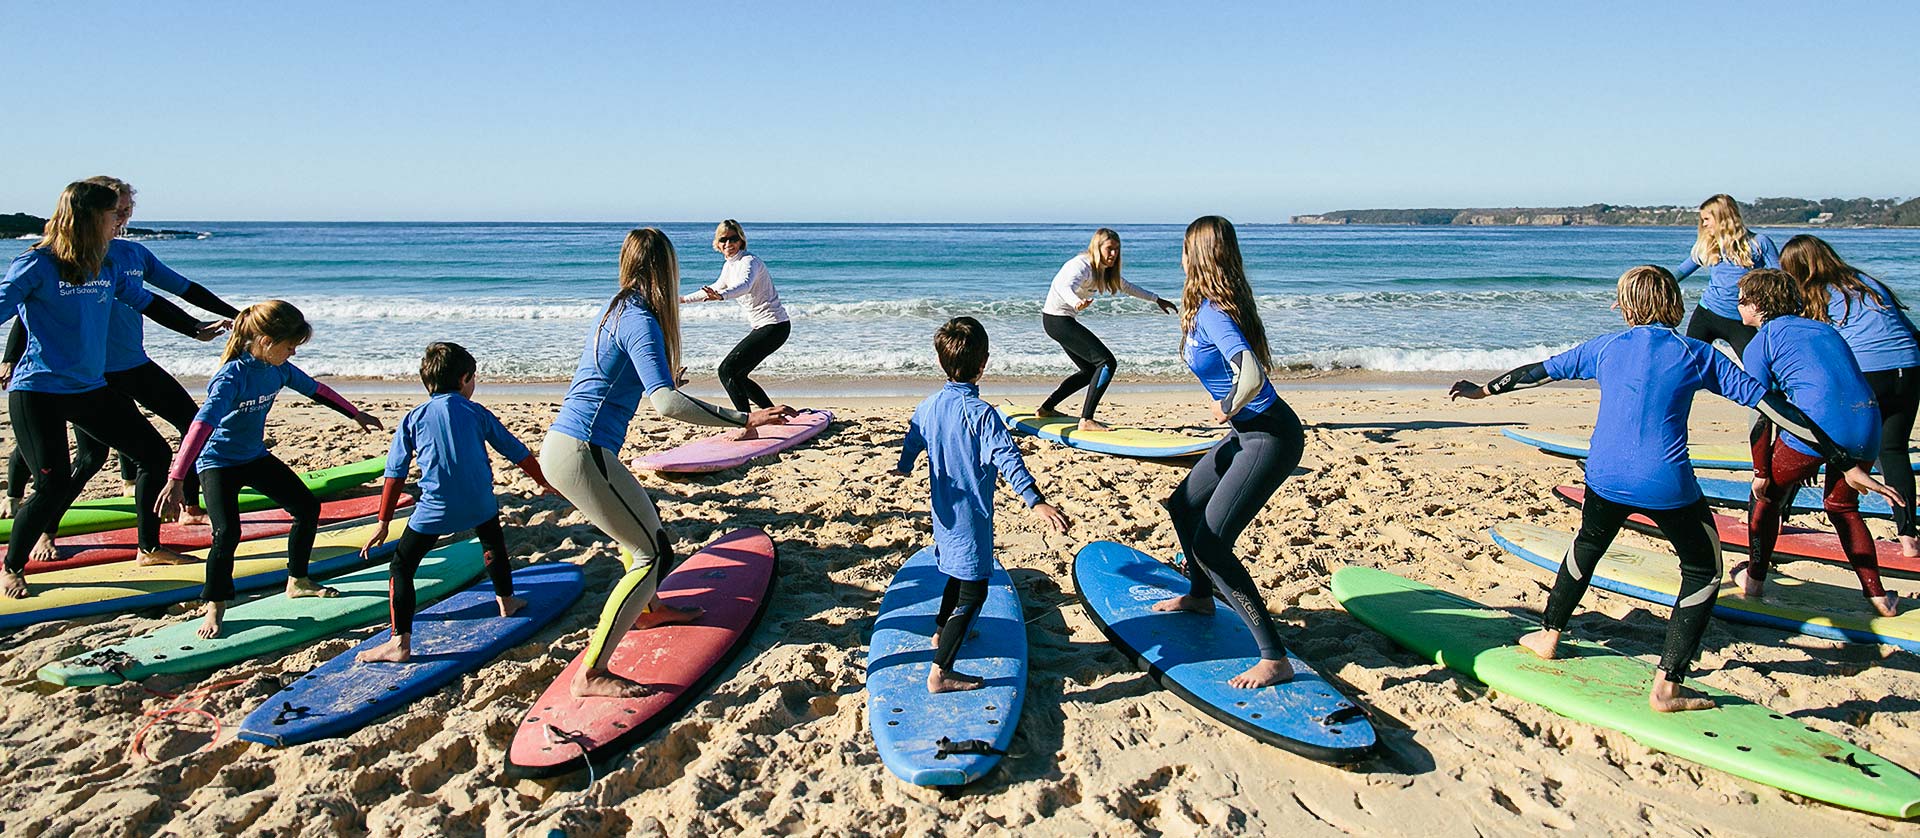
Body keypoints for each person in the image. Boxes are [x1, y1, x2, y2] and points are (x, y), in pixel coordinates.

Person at [1451, 265, 1900, 712]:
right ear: (1675, 303)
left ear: (1624, 306)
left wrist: (1483, 391)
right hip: (1665, 484)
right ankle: (1668, 686)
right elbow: (1775, 408)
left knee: (1587, 544)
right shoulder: (1697, 355)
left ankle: (1548, 635)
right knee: (1703, 571)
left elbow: (1537, 373)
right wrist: (1841, 459)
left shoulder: (1605, 347)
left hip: (1604, 476)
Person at [542, 228, 793, 698]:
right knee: (652, 553)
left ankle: (652, 609)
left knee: (639, 529)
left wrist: (663, 378)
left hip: (571, 447)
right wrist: (743, 416)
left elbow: (617, 376)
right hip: (583, 451)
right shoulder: (641, 318)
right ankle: (592, 674)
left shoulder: (617, 308)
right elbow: (666, 405)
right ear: (664, 267)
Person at [3, 176, 241, 561]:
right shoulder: (37, 263)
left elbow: (149, 300)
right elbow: (12, 310)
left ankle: (151, 544)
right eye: (115, 213)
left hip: (96, 382)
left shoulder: (109, 262)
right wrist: (9, 358)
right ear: (89, 215)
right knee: (67, 472)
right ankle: (26, 551)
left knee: (157, 449)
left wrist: (197, 328)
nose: (122, 220)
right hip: (44, 386)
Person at [160, 300, 384, 638]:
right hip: (217, 462)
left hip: (253, 456)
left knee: (307, 507)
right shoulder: (231, 378)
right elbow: (200, 426)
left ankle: (298, 580)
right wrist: (177, 478)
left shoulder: (277, 369)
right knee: (227, 534)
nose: (293, 353)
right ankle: (215, 606)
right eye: (290, 345)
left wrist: (355, 414)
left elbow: (316, 390)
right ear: (266, 340)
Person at [1149, 216, 1303, 690]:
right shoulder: (1205, 308)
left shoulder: (1214, 311)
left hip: (1268, 437)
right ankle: (1200, 595)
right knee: (1184, 504)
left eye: (1184, 247)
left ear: (1197, 254)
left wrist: (1228, 405)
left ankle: (1273, 657)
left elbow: (1250, 374)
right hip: (1246, 435)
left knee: (1212, 545)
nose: (1178, 254)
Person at [895, 316, 1070, 693]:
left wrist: (904, 466)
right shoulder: (982, 415)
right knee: (975, 593)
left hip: (943, 514)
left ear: (941, 360)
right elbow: (1008, 459)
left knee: (957, 577)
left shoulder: (928, 406)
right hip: (971, 519)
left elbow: (914, 438)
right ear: (983, 363)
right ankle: (940, 672)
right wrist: (1035, 500)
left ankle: (942, 632)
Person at [357, 342, 557, 662]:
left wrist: (383, 522)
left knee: (402, 566)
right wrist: (544, 482)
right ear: (465, 378)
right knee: (493, 543)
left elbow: (394, 474)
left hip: (434, 511)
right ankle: (506, 600)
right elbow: (515, 450)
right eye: (474, 379)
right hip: (480, 504)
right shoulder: (476, 411)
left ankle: (399, 643)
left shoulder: (413, 418)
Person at [1734, 268, 1898, 616]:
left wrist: (1761, 469)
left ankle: (1755, 579)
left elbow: (1761, 414)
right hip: (1868, 422)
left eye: (1742, 299)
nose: (1738, 305)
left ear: (1758, 304)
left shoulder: (1760, 343)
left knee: (1765, 498)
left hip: (1820, 426)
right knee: (1843, 508)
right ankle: (1878, 597)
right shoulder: (1825, 328)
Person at [1781, 234, 1920, 557]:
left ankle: (1779, 514)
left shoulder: (1811, 294)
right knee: (1894, 451)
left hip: (1869, 371)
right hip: (1910, 366)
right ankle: (1909, 536)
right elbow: (1909, 330)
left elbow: (1813, 351)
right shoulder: (1866, 282)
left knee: (1815, 437)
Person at [1036, 228, 1177, 432]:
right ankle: (1087, 420)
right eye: (1109, 249)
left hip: (1059, 321)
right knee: (1107, 362)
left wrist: (1157, 299)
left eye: (1117, 250)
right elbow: (1062, 286)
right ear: (1097, 247)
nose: (1113, 254)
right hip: (1057, 320)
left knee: (1090, 371)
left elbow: (1127, 287)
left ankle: (1046, 409)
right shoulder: (1080, 265)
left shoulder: (1103, 270)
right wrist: (1076, 302)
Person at [679, 220, 791, 414]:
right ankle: (773, 413)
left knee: (727, 371)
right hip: (765, 327)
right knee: (738, 375)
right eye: (723, 239)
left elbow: (744, 285)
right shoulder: (729, 266)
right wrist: (681, 300)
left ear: (741, 240)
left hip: (775, 326)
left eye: (733, 238)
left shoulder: (749, 261)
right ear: (717, 243)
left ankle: (747, 424)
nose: (728, 243)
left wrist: (722, 296)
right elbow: (714, 288)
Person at [1673, 194, 1781, 357]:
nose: (1704, 224)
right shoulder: (1709, 245)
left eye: (1707, 219)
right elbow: (1679, 273)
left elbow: (1781, 279)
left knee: (1757, 365)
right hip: (1706, 314)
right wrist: (1643, 288)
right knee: (1691, 363)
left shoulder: (1758, 243)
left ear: (1722, 217)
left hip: (1741, 319)